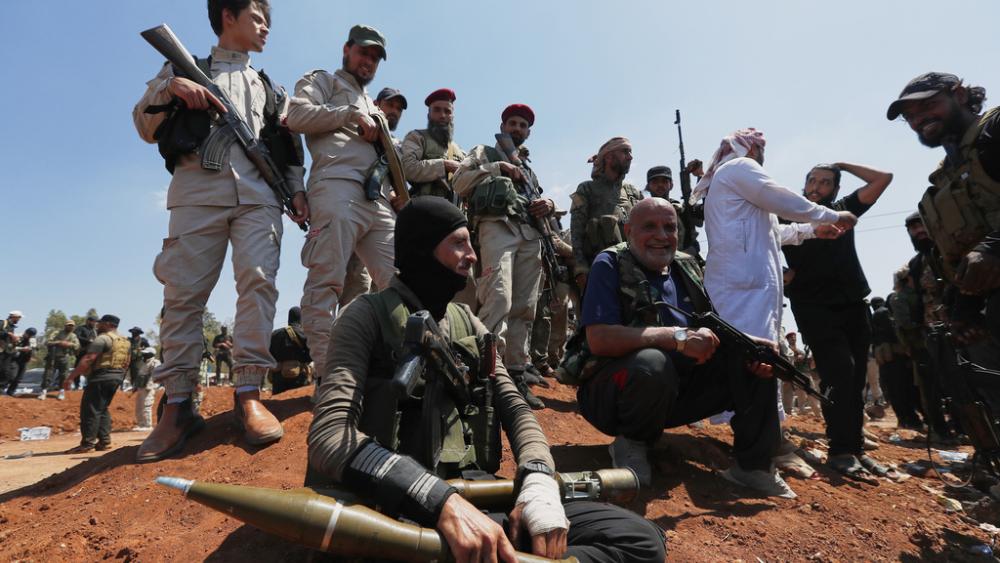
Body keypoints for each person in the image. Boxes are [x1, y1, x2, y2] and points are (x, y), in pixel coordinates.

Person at [307, 197, 666, 562]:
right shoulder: (365, 316)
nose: (473, 255)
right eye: (458, 243)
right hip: (397, 507)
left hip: (477, 496)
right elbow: (330, 438)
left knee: (642, 539)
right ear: (422, 249)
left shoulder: (468, 322)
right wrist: (437, 500)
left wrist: (539, 480)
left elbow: (517, 409)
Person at [133, 0, 309, 463]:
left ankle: (248, 391)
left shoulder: (271, 88)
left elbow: (289, 150)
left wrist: (297, 192)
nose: (267, 27)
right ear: (227, 16)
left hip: (259, 200)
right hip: (196, 194)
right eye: (257, 17)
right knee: (182, 295)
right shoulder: (179, 66)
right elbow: (144, 125)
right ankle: (178, 406)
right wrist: (174, 88)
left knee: (258, 284)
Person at [567, 198, 793, 498]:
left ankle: (753, 467)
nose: (662, 235)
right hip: (612, 396)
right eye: (650, 227)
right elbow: (600, 339)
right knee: (652, 362)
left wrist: (751, 345)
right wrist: (676, 337)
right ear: (628, 231)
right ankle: (632, 443)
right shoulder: (609, 263)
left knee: (752, 357)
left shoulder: (686, 266)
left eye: (669, 227)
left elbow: (709, 327)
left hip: (673, 394)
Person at [287, 24, 399, 387]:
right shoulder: (324, 80)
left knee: (400, 284)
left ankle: (391, 367)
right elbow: (297, 117)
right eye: (363, 52)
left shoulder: (371, 102)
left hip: (378, 200)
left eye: (375, 57)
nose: (368, 61)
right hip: (335, 188)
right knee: (326, 282)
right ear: (347, 50)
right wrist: (349, 115)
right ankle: (326, 374)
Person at [781, 160, 894, 478]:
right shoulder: (788, 213)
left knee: (857, 378)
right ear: (803, 185)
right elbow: (758, 239)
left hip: (853, 305)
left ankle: (855, 449)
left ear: (836, 189)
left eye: (825, 182)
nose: (817, 187)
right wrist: (779, 273)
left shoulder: (843, 209)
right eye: (812, 180)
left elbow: (883, 177)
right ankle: (840, 451)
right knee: (838, 372)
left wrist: (842, 164)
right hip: (813, 306)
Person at [452, 103, 557, 409]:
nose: (517, 129)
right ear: (503, 125)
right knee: (498, 298)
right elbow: (459, 182)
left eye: (523, 125)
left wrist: (548, 203)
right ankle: (487, 373)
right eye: (513, 123)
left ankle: (516, 373)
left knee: (525, 307)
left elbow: (536, 194)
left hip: (530, 234)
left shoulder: (528, 166)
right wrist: (496, 168)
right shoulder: (485, 152)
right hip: (497, 226)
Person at [887, 72, 1000, 342]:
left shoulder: (994, 131)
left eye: (927, 106)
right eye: (910, 116)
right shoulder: (948, 172)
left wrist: (994, 247)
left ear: (959, 95)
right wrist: (965, 306)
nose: (918, 119)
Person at [340, 86, 409, 308]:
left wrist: (397, 197)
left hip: (382, 221)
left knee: (390, 287)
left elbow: (397, 183)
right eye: (390, 105)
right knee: (354, 288)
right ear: (377, 105)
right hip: (350, 209)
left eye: (399, 108)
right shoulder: (358, 128)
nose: (395, 111)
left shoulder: (396, 147)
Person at [569, 137, 643, 293]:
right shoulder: (586, 189)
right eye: (625, 152)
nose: (630, 157)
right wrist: (581, 268)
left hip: (637, 272)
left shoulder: (633, 192)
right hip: (601, 269)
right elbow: (576, 232)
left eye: (630, 152)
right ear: (609, 156)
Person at [64, 315, 131, 453]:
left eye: (100, 323)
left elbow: (89, 359)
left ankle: (87, 444)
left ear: (107, 324)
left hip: (101, 377)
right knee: (102, 409)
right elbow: (127, 362)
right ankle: (105, 442)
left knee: (90, 410)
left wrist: (70, 378)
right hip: (116, 377)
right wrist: (119, 377)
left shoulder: (102, 339)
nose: (97, 325)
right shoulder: (125, 341)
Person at [401, 88, 466, 200]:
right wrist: (444, 165)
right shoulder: (417, 137)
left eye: (447, 111)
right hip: (423, 209)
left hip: (452, 214)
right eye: (437, 110)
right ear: (429, 114)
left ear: (452, 116)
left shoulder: (461, 153)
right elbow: (407, 169)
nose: (442, 115)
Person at [871, 295, 923, 430]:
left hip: (886, 357)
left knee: (895, 391)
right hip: (897, 356)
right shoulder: (886, 313)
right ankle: (912, 420)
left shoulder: (875, 315)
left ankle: (906, 420)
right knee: (905, 389)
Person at [644, 165, 702, 256]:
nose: (660, 185)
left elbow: (703, 217)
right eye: (655, 181)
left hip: (685, 260)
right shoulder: (642, 213)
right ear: (648, 186)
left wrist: (700, 176)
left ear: (671, 185)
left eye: (664, 181)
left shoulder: (682, 210)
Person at [268, 306, 311, 394]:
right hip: (298, 376)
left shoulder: (275, 334)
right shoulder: (304, 334)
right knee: (297, 404)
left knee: (276, 404)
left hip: (278, 376)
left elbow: (268, 353)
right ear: (301, 318)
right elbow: (311, 354)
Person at [40, 320, 79, 400]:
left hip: (65, 357)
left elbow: (77, 346)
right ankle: (44, 392)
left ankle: (61, 392)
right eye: (69, 325)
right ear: (65, 325)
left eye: (72, 326)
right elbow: (48, 342)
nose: (70, 327)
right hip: (53, 357)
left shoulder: (73, 336)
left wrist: (69, 344)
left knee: (64, 375)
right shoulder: (56, 333)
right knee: (48, 374)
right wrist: (59, 342)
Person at [133, 347, 161, 431]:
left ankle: (148, 425)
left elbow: (155, 375)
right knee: (139, 406)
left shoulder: (155, 362)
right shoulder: (143, 362)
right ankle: (141, 424)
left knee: (146, 405)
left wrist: (150, 386)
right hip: (141, 387)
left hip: (149, 388)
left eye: (146, 353)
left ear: (151, 354)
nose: (144, 355)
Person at [5, 328, 38, 396]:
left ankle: (10, 392)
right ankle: (2, 388)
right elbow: (9, 346)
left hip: (24, 360)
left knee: (19, 378)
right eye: (28, 334)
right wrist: (21, 348)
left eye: (31, 335)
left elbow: (32, 348)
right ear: (25, 332)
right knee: (12, 376)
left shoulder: (32, 339)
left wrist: (30, 350)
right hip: (15, 359)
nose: (29, 336)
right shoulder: (17, 336)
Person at [0, 311, 22, 389]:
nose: (19, 319)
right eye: (19, 318)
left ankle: (1, 388)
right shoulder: (3, 323)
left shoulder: (12, 327)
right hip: (1, 350)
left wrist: (15, 340)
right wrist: (9, 334)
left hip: (8, 351)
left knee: (6, 371)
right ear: (14, 317)